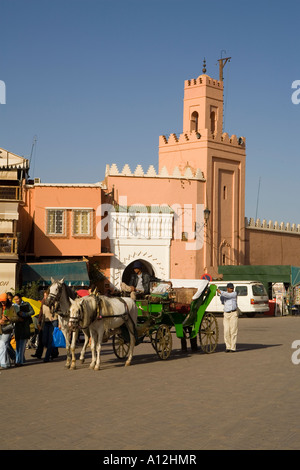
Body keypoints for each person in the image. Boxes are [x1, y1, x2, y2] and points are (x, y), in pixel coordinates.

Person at [13, 293, 34, 366]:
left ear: (20, 298)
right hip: (17, 326)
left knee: (22, 345)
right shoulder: (13, 306)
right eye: (15, 299)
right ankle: (18, 360)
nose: (16, 301)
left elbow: (32, 312)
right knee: (18, 345)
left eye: (17, 299)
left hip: (25, 326)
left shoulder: (26, 304)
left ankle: (20, 361)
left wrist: (25, 314)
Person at [217, 283, 238, 352]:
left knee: (233, 331)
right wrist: (221, 294)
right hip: (226, 313)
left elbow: (228, 295)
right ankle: (228, 347)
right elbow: (222, 300)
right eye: (230, 288)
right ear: (227, 288)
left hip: (233, 313)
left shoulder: (234, 294)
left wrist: (220, 291)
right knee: (226, 331)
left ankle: (233, 347)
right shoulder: (224, 295)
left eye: (232, 288)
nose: (232, 289)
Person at [0, 293, 19, 369]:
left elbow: (16, 318)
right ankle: (8, 362)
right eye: (1, 301)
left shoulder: (11, 307)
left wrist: (8, 318)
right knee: (5, 346)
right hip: (0, 329)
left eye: (3, 301)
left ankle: (4, 363)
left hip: (7, 329)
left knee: (3, 344)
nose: (2, 303)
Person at [40, 291, 59, 363]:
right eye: (44, 296)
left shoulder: (55, 303)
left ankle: (46, 357)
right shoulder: (43, 304)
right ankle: (53, 352)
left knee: (51, 340)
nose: (45, 297)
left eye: (46, 296)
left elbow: (57, 313)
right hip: (46, 323)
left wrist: (54, 316)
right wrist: (41, 325)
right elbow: (43, 315)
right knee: (44, 340)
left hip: (53, 322)